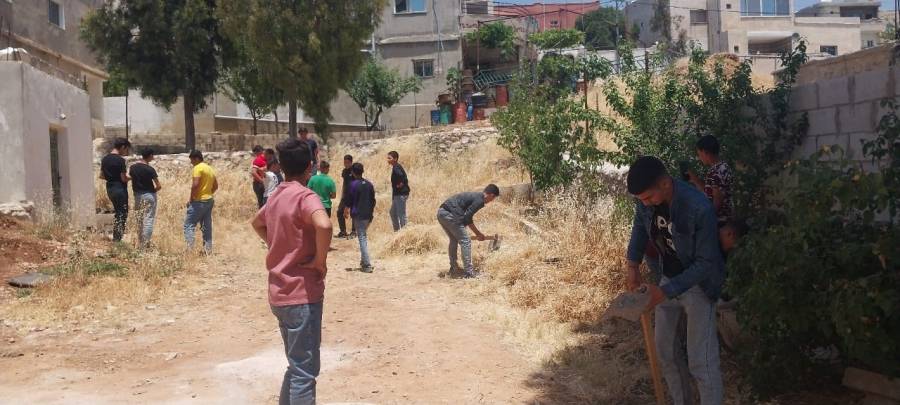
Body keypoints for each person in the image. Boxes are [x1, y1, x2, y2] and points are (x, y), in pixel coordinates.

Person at [624, 156, 725, 405]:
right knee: (665, 353)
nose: (644, 203)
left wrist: (665, 292)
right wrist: (632, 264)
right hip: (667, 279)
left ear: (665, 184)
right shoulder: (646, 203)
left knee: (701, 362)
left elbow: (706, 263)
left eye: (648, 197)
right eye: (641, 200)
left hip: (699, 285)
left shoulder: (699, 207)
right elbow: (640, 226)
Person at [251, 137, 332, 405]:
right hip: (302, 295)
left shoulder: (277, 195)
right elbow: (324, 225)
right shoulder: (305, 196)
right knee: (304, 372)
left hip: (279, 294)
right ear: (310, 166)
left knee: (296, 366)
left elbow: (257, 222)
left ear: (281, 166)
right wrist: (320, 261)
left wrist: (278, 245)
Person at [436, 185, 500, 278]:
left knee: (454, 240)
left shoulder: (475, 196)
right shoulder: (480, 200)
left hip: (441, 213)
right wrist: (478, 234)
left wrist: (467, 231)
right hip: (450, 214)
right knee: (466, 240)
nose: (491, 201)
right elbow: (468, 218)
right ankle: (469, 273)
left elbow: (464, 218)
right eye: (492, 199)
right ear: (491, 195)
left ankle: (454, 268)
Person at [688, 135, 734, 225]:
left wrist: (707, 218)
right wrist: (694, 179)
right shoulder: (720, 167)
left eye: (699, 154)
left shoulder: (717, 171)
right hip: (722, 218)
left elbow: (718, 199)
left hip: (720, 221)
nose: (699, 158)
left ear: (705, 152)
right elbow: (709, 193)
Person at [184, 150, 218, 253]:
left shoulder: (197, 168)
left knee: (189, 225)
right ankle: (208, 250)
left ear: (197, 158)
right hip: (209, 200)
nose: (191, 162)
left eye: (192, 160)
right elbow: (216, 186)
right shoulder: (209, 168)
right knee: (206, 226)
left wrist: (191, 199)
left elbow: (195, 185)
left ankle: (190, 251)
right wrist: (208, 193)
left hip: (198, 201)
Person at [344, 163, 376, 273]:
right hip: (368, 215)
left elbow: (348, 200)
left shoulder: (353, 185)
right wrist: (371, 213)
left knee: (362, 237)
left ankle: (367, 265)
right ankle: (363, 261)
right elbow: (373, 200)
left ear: (353, 172)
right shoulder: (369, 184)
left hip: (358, 214)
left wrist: (346, 211)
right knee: (363, 236)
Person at [100, 137, 131, 242]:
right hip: (119, 188)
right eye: (126, 150)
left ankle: (116, 237)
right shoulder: (120, 160)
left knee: (118, 212)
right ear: (123, 147)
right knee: (122, 213)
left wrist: (111, 177)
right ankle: (117, 239)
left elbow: (102, 176)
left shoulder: (105, 159)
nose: (126, 152)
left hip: (110, 188)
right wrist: (131, 177)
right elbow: (123, 178)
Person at [129, 148, 162, 248]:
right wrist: (153, 191)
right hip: (149, 195)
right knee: (149, 219)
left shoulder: (133, 168)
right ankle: (145, 244)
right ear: (150, 156)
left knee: (139, 219)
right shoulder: (150, 169)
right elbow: (158, 186)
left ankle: (140, 242)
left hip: (137, 196)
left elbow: (129, 178)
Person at [387, 150, 410, 232]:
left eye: (389, 158)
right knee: (392, 213)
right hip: (397, 194)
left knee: (401, 215)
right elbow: (404, 177)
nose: (388, 160)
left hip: (400, 194)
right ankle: (397, 232)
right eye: (388, 158)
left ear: (395, 159)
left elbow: (402, 176)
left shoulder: (396, 167)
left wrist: (401, 184)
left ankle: (405, 233)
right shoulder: (396, 167)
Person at [335, 155, 356, 238]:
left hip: (353, 195)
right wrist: (343, 194)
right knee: (340, 212)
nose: (346, 164)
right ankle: (343, 231)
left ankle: (354, 231)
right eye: (344, 162)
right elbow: (344, 183)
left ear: (351, 162)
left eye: (347, 162)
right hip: (346, 195)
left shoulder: (354, 170)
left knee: (354, 213)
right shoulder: (344, 171)